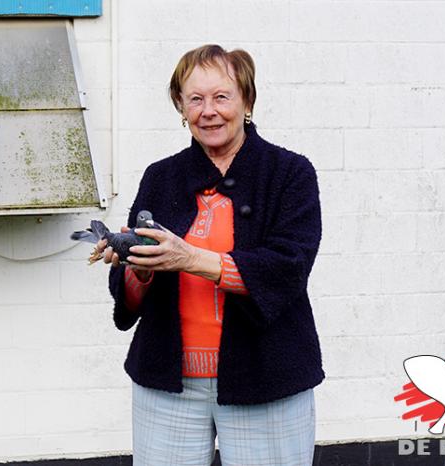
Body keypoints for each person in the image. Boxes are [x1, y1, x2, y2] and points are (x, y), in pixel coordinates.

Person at [98, 44, 323, 466]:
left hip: (266, 381)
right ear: (181, 107)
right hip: (169, 385)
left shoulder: (290, 173)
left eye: (222, 96)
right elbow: (128, 297)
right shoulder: (160, 177)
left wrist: (188, 258)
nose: (209, 111)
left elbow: (288, 269)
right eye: (195, 99)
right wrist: (138, 267)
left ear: (247, 101)